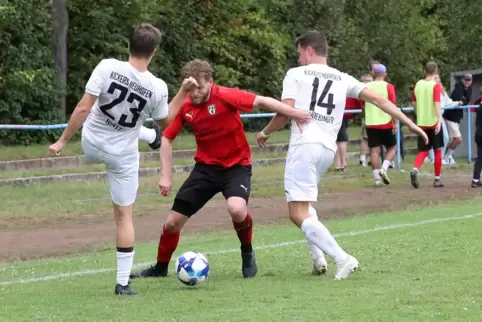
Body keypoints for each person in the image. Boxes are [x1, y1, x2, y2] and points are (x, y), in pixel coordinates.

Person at [256, 30, 428, 279]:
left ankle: (342, 258)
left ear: (309, 50)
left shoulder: (295, 74)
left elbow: (286, 111)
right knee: (307, 206)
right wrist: (409, 123)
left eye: (300, 53)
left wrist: (265, 132)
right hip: (327, 149)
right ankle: (318, 260)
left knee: (296, 212)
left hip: (305, 145)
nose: (300, 58)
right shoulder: (342, 78)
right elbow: (379, 100)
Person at [48, 24, 198, 296]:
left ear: (128, 46)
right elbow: (168, 121)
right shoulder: (157, 86)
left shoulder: (106, 67)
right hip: (121, 156)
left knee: (120, 124)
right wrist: (183, 93)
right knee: (124, 217)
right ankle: (122, 284)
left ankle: (144, 134)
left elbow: (84, 107)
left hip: (91, 143)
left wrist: (61, 141)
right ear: (153, 52)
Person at [129, 59, 311, 280]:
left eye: (200, 88)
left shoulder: (225, 95)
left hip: (236, 166)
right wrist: (165, 176)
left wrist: (294, 113)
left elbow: (262, 101)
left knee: (236, 209)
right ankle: (160, 268)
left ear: (210, 82)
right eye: (191, 89)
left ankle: (247, 252)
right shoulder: (185, 106)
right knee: (172, 222)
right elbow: (166, 138)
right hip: (206, 169)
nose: (195, 94)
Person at [410, 62, 445, 188]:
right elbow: (436, 103)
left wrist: (418, 113)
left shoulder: (418, 84)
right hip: (433, 121)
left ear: (424, 71)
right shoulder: (435, 86)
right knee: (437, 150)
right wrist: (439, 121)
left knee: (423, 150)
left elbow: (413, 102)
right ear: (436, 72)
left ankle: (415, 169)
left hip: (422, 122)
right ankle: (437, 179)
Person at [363, 64, 398, 186]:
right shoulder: (388, 86)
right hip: (385, 121)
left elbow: (362, 104)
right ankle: (384, 168)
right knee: (392, 147)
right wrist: (395, 121)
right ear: (385, 74)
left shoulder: (366, 86)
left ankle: (377, 179)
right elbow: (392, 105)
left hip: (371, 122)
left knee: (374, 150)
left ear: (373, 74)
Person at [443, 73, 473, 165]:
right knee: (458, 139)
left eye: (469, 80)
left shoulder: (469, 90)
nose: (467, 81)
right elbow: (458, 102)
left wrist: (462, 102)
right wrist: (462, 102)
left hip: (457, 118)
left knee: (452, 139)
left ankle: (447, 156)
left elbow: (466, 102)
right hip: (450, 117)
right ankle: (446, 157)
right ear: (462, 80)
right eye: (465, 79)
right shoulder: (458, 89)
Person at [358, 74, 373, 167]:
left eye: (370, 80)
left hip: (375, 117)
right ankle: (362, 158)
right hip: (367, 116)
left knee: (372, 139)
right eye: (366, 80)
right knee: (365, 138)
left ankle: (371, 158)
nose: (368, 82)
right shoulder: (361, 91)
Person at [470, 88, 482, 187]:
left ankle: (475, 180)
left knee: (480, 158)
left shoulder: (479, 105)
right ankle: (475, 180)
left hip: (478, 134)